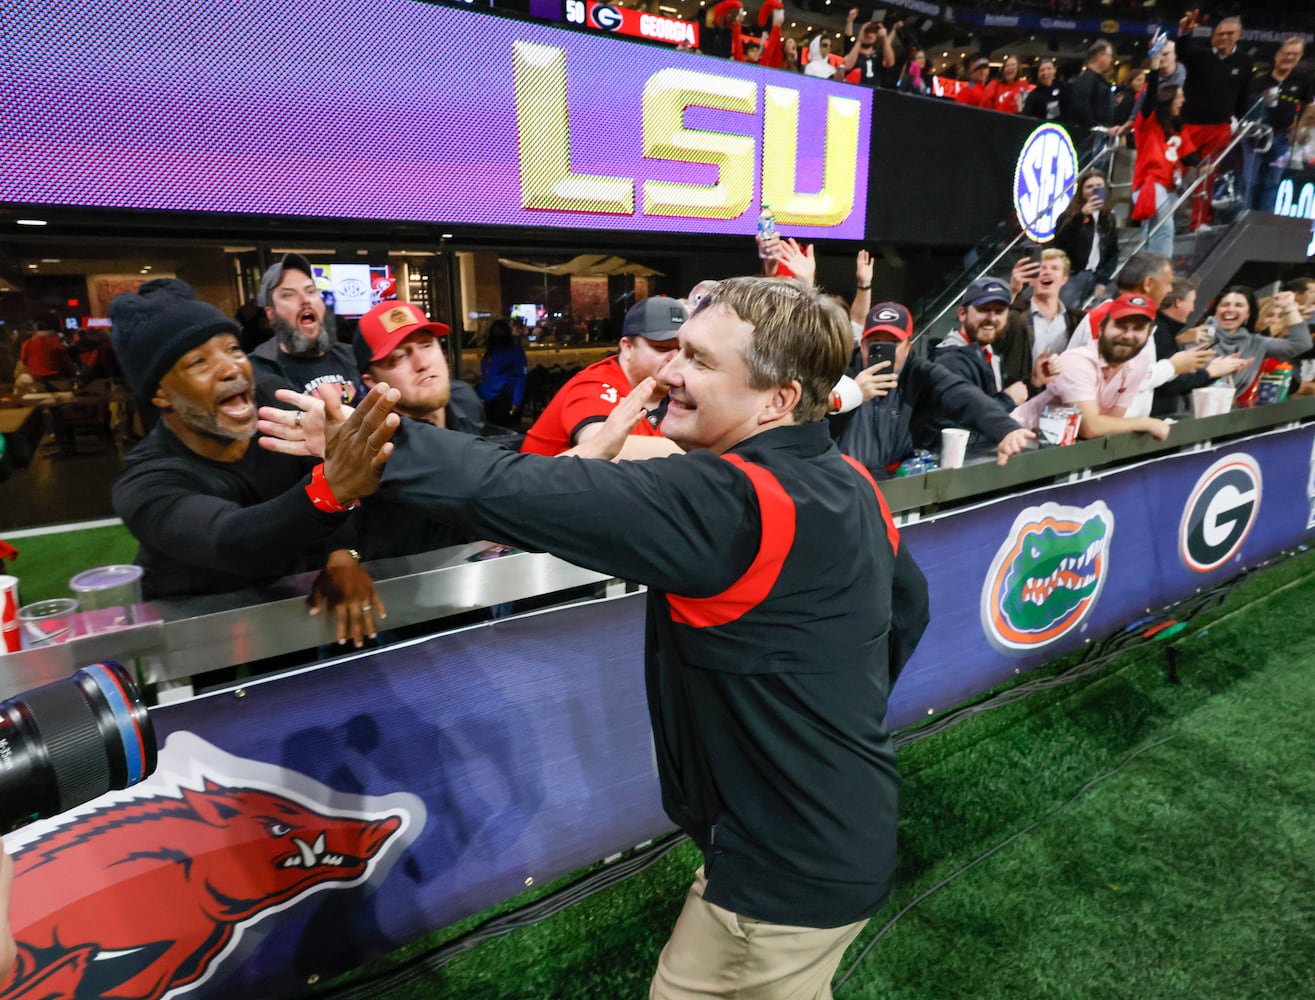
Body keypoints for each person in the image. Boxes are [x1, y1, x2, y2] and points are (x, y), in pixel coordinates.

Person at [296, 276, 931, 1000]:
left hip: (782, 867)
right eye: (675, 352)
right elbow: (907, 611)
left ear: (777, 399)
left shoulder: (732, 502)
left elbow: (516, 492)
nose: (668, 372)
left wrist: (380, 443)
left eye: (696, 359)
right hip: (833, 825)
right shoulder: (846, 477)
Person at [109, 278, 382, 645]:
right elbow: (231, 541)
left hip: (287, 601)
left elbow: (316, 472)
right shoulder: (146, 480)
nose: (231, 369)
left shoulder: (274, 405)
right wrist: (330, 490)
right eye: (199, 362)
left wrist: (342, 556)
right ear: (161, 393)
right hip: (193, 625)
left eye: (234, 349)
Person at [833, 301, 1034, 473]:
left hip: (896, 480)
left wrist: (1005, 428)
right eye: (875, 342)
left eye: (893, 343)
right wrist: (851, 394)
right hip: (842, 479)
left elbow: (961, 393)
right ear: (863, 342)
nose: (884, 351)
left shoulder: (920, 372)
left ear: (908, 347)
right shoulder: (840, 370)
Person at [520, 296, 683, 458]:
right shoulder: (594, 383)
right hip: (541, 481)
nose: (676, 358)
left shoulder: (680, 393)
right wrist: (702, 454)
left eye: (684, 349)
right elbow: (606, 448)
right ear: (627, 348)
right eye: (662, 348)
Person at [1012, 294, 1172, 441]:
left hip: (1065, 449)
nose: (1127, 335)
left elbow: (1113, 422)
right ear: (1101, 329)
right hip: (1021, 442)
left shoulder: (1138, 363)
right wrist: (1146, 423)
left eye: (1138, 329)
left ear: (1148, 334)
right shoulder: (1076, 360)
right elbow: (1089, 427)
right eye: (1120, 326)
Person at [251, 253, 363, 405]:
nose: (305, 300)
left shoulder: (354, 357)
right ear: (271, 313)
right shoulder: (257, 373)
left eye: (311, 291)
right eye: (289, 295)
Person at [935, 278, 1062, 412]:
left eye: (999, 312)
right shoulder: (949, 361)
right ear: (962, 314)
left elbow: (996, 409)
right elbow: (962, 420)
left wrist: (1035, 382)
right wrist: (1007, 400)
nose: (992, 318)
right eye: (983, 310)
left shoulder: (988, 353)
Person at [1175, 11, 1252, 229]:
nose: (1224, 38)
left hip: (1220, 128)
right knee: (1174, 170)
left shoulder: (1244, 62)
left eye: (1229, 34)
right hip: (1190, 125)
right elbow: (1182, 51)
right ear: (1213, 36)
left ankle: (1199, 221)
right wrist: (1185, 32)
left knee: (1208, 177)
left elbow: (1243, 94)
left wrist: (1239, 121)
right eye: (1219, 34)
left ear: (1238, 35)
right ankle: (1158, 215)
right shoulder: (1200, 55)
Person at [1151, 279, 1248, 416]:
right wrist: (1210, 372)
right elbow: (1169, 383)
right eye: (1192, 302)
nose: (1193, 308)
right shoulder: (1160, 333)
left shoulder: (1165, 332)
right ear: (1179, 302)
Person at [1206, 286, 1312, 404]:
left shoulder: (1256, 342)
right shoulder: (1197, 337)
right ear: (1216, 310)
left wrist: (1289, 307)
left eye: (1239, 305)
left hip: (1234, 415)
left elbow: (1301, 344)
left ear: (1248, 314)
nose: (1230, 309)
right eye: (1225, 304)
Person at [1131, 81, 1194, 258]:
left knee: (1151, 230)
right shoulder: (1148, 122)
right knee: (1165, 227)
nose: (1183, 101)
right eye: (1179, 97)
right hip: (1150, 183)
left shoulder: (1178, 128)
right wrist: (1154, 70)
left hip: (1171, 187)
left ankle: (1146, 265)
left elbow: (1190, 155)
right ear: (1168, 99)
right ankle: (1162, 268)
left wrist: (1203, 164)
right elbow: (1150, 98)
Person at [1249, 38, 1313, 212]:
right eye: (1286, 53)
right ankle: (1243, 220)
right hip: (1256, 137)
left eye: (1294, 54)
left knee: (1271, 182)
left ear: (1299, 57)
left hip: (1282, 139)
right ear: (1277, 56)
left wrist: (1299, 127)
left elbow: (1310, 106)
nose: (1289, 57)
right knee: (1250, 180)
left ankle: (1263, 223)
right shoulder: (1260, 78)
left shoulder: (1304, 81)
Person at [1053, 168, 1119, 310]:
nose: (1095, 189)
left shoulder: (1107, 218)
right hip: (1071, 276)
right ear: (1081, 191)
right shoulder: (1068, 217)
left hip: (1095, 276)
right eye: (1089, 186)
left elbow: (1113, 252)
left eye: (1099, 186)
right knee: (1065, 313)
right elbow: (1059, 244)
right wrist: (1081, 216)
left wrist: (1103, 280)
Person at [1005, 250, 1083, 361]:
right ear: (1031, 280)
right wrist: (1013, 292)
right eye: (1042, 268)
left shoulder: (1076, 320)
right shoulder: (1016, 315)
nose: (1047, 272)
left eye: (1054, 268)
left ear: (1064, 279)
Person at [1068, 40, 1125, 160]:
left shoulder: (1096, 79)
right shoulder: (1087, 78)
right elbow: (1080, 105)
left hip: (1100, 134)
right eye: (1109, 56)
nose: (1111, 59)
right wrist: (1095, 126)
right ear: (1100, 56)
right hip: (1092, 136)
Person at [476, 320, 529, 427]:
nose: (498, 334)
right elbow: (487, 376)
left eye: (500, 332)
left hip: (504, 398)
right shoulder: (492, 351)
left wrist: (516, 402)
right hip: (489, 398)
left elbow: (520, 378)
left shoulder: (514, 352)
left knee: (504, 430)